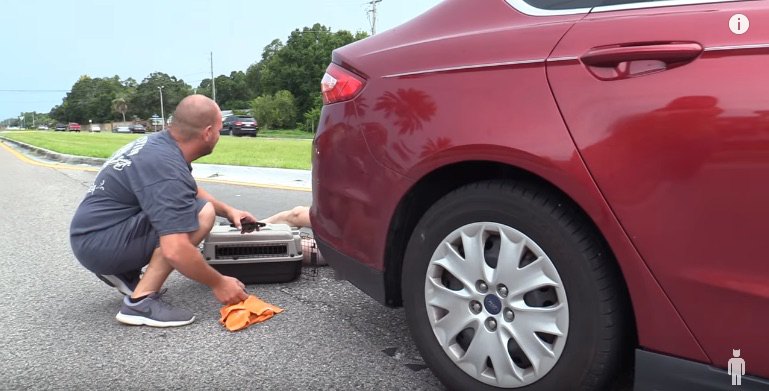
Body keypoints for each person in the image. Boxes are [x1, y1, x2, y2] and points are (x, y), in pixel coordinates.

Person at [70, 95, 254, 328]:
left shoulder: (158, 145)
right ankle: (140, 303)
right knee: (202, 214)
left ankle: (123, 272)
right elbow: (175, 249)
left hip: (92, 236)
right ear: (207, 133)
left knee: (196, 207)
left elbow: (187, 188)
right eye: (219, 130)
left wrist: (229, 211)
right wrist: (219, 283)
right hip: (101, 244)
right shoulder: (165, 166)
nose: (219, 136)